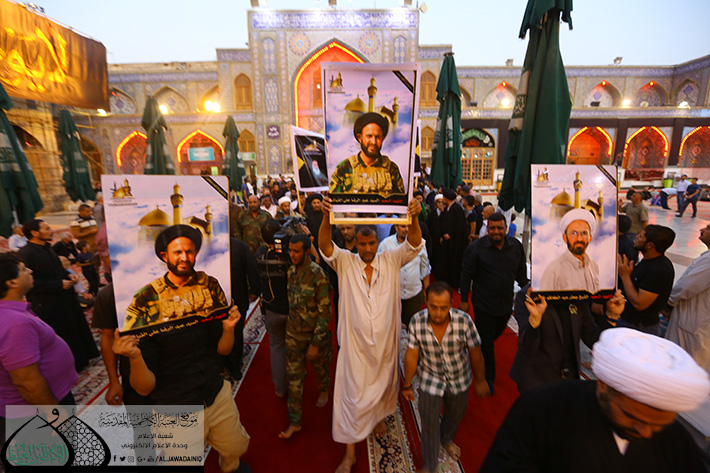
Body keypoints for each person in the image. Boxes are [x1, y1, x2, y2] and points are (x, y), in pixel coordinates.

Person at [480, 328, 710, 473]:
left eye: (659, 424)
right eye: (631, 416)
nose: (646, 432)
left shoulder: (676, 441)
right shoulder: (542, 410)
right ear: (603, 384)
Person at [319, 196, 424, 473]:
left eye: (372, 243)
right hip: (354, 348)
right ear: (356, 243)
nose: (367, 248)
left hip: (385, 344)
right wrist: (326, 217)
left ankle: (378, 419)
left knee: (382, 388)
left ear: (378, 242)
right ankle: (350, 454)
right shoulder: (345, 261)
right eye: (363, 244)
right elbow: (325, 246)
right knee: (351, 397)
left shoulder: (391, 259)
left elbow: (414, 244)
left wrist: (414, 217)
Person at [113, 292, 251, 472]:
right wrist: (134, 357)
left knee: (236, 446)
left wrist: (229, 328)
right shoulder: (142, 317)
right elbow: (144, 388)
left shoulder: (201, 299)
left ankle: (231, 466)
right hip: (175, 410)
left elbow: (223, 350)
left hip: (215, 392)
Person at [403, 282, 489, 473]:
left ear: (451, 304)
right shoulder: (417, 321)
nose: (438, 313)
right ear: (426, 301)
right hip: (430, 379)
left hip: (459, 379)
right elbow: (412, 355)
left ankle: (446, 437)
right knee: (429, 423)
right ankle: (430, 465)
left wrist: (481, 380)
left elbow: (476, 352)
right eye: (433, 307)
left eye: (443, 308)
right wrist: (407, 384)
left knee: (455, 414)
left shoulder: (464, 321)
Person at [0, 252, 77, 446]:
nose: (30, 271)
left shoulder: (12, 313)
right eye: (23, 269)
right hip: (36, 413)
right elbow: (26, 380)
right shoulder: (13, 323)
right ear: (12, 282)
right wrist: (53, 412)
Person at [459, 212, 528, 393]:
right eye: (492, 228)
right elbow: (466, 274)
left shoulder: (516, 247)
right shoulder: (476, 248)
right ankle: (488, 377)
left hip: (505, 304)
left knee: (494, 335)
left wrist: (530, 291)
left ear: (506, 228)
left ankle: (478, 346)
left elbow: (521, 274)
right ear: (487, 228)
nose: (496, 231)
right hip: (483, 303)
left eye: (499, 228)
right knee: (487, 341)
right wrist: (464, 299)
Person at [511, 284, 625, 393]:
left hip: (569, 379)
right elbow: (527, 348)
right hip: (536, 381)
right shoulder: (529, 296)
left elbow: (592, 337)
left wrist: (612, 317)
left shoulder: (577, 295)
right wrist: (534, 322)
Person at [18, 219, 99, 371]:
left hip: (65, 298)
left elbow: (55, 270)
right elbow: (30, 284)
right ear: (35, 233)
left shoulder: (47, 248)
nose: (51, 231)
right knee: (63, 333)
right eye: (46, 228)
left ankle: (84, 357)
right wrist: (58, 284)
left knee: (75, 327)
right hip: (48, 303)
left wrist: (68, 275)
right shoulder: (26, 253)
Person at [279, 234, 332, 439]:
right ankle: (295, 422)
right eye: (290, 250)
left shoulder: (318, 275)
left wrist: (316, 343)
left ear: (306, 251)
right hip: (294, 334)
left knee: (321, 368)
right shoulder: (291, 272)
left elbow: (325, 312)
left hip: (314, 336)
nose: (292, 254)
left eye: (296, 251)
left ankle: (324, 389)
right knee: (294, 378)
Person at [124, 224, 228, 330]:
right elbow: (132, 337)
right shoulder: (145, 296)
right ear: (165, 256)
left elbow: (225, 325)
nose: (184, 258)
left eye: (189, 252)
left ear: (195, 254)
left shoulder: (210, 285)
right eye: (178, 252)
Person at [665, 221, 710, 372]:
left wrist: (669, 303)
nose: (702, 229)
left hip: (694, 322)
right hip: (697, 322)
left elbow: (687, 286)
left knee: (684, 365)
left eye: (708, 228)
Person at [329, 112, 405, 198]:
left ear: (382, 139)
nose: (373, 142)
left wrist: (412, 204)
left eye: (377, 137)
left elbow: (401, 202)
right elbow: (333, 201)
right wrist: (326, 204)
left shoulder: (391, 169)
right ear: (360, 138)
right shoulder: (344, 167)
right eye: (369, 136)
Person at [255, 219, 291, 398]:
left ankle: (280, 389)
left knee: (276, 347)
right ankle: (295, 380)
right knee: (294, 346)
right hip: (291, 309)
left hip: (271, 309)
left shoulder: (260, 254)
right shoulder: (289, 255)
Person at [618, 224, 675, 335]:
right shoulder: (648, 261)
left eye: (640, 236)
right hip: (630, 320)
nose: (636, 237)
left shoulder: (659, 269)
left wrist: (625, 276)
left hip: (640, 327)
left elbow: (639, 303)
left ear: (650, 245)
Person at [378, 223, 430, 326]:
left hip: (414, 294)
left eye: (409, 226)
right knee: (392, 327)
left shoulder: (419, 243)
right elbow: (379, 269)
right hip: (392, 296)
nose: (406, 229)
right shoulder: (385, 244)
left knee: (413, 326)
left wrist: (425, 288)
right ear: (396, 228)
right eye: (403, 226)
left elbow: (425, 266)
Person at [225, 235, 262, 380]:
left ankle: (231, 365)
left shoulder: (239, 247)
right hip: (228, 297)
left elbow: (251, 269)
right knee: (232, 331)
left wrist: (255, 289)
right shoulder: (239, 246)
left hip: (234, 297)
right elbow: (252, 269)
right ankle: (231, 365)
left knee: (233, 331)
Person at [540, 208, 601, 293]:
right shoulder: (553, 270)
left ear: (590, 237)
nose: (579, 239)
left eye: (584, 233)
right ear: (565, 238)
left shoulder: (593, 266)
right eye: (574, 233)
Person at [439, 188, 467, 288]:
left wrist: (451, 234)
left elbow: (460, 226)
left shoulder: (457, 209)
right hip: (448, 242)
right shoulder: (448, 208)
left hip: (455, 242)